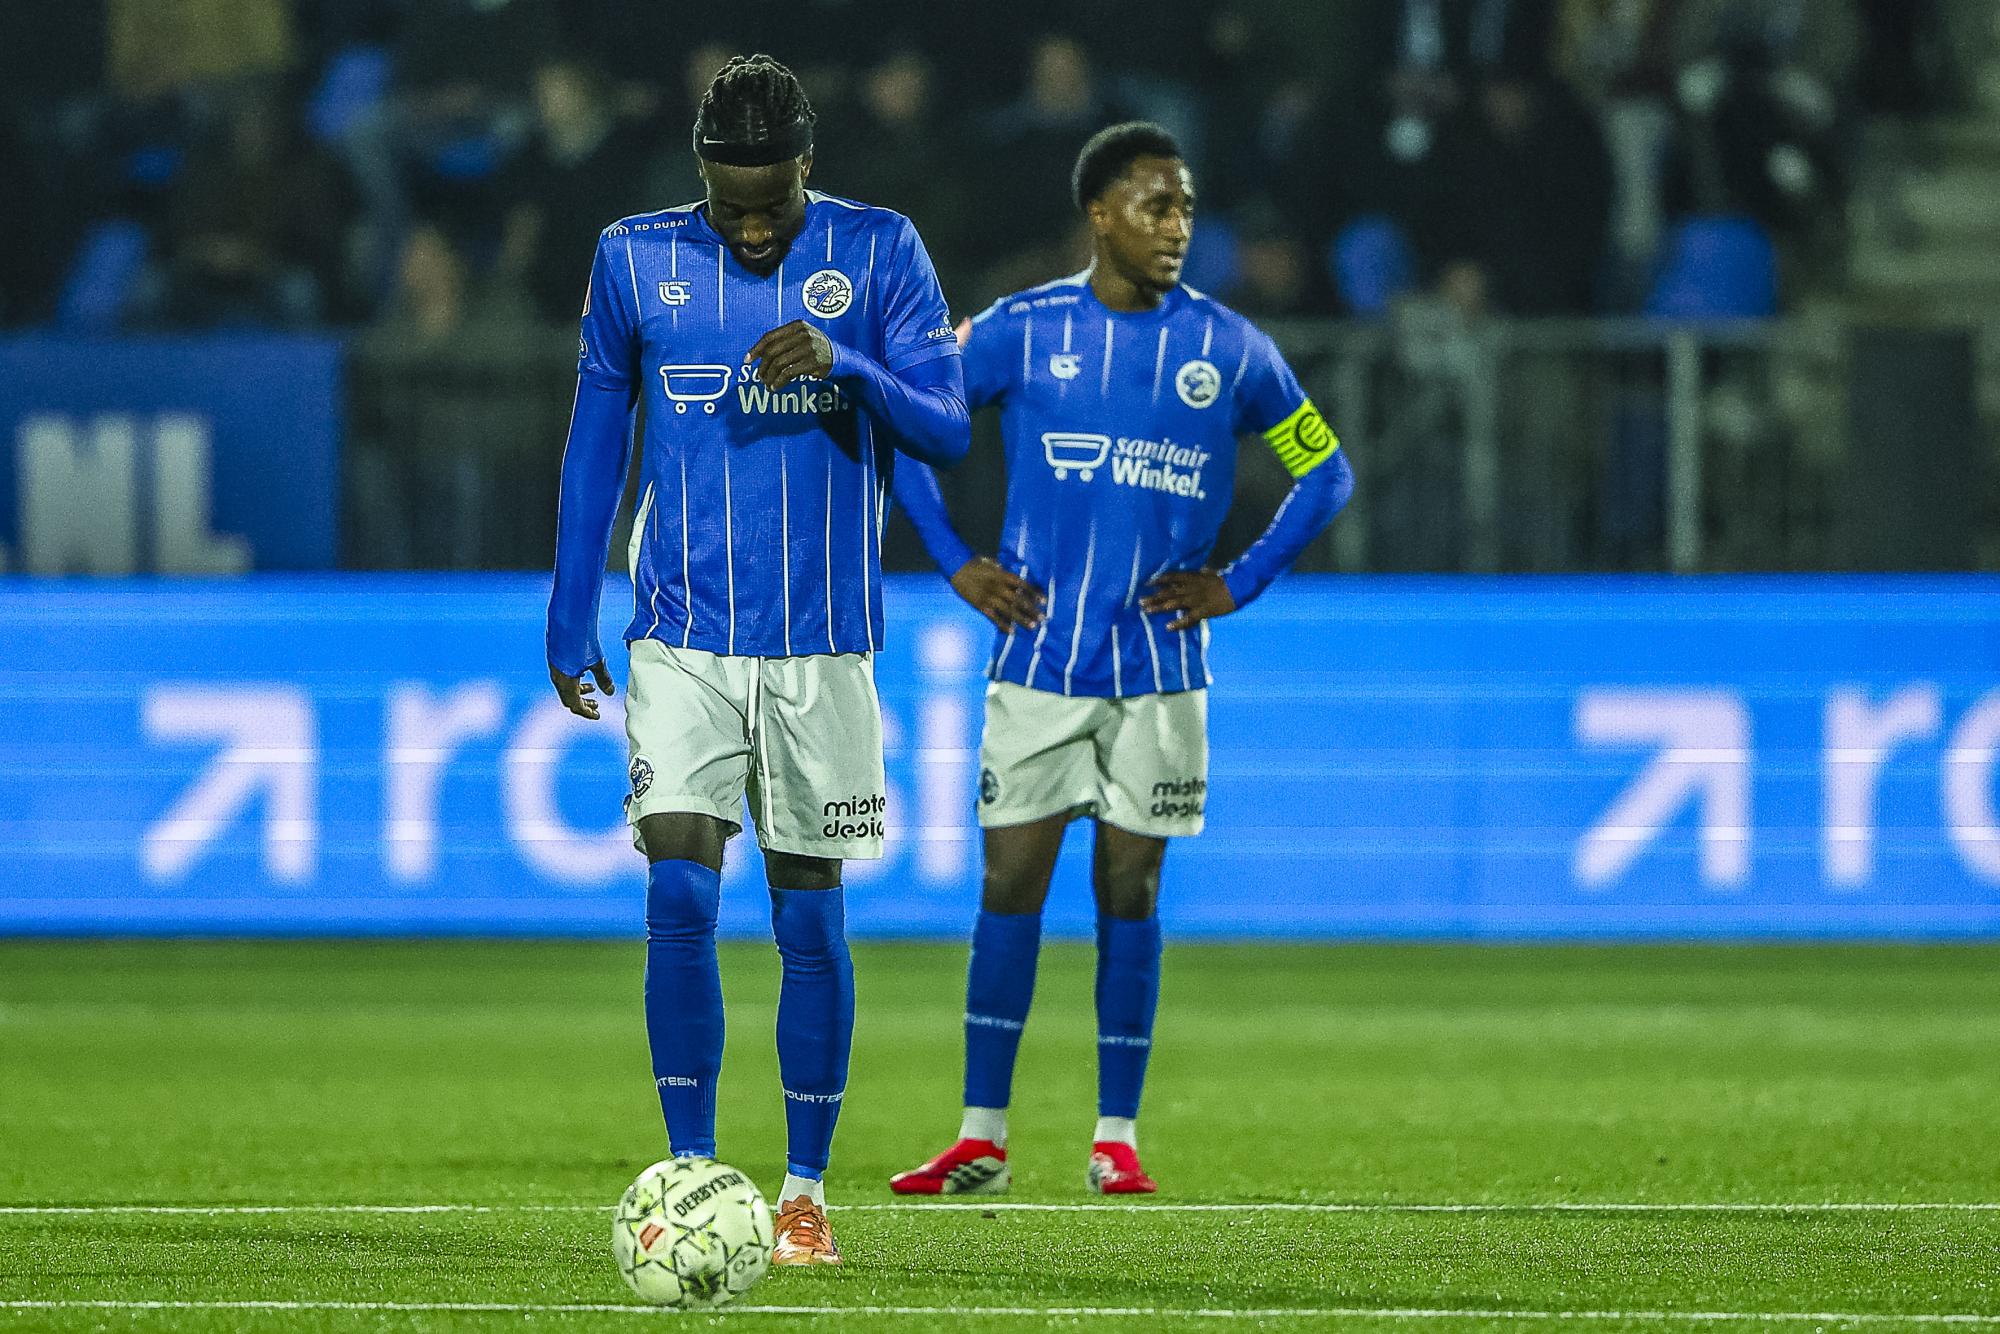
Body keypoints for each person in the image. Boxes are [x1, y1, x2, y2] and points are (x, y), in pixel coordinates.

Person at [544, 54, 970, 1262]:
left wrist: (849, 367)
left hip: (823, 641)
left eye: (768, 203)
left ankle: (802, 1191)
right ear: (698, 169)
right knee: (677, 887)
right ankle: (687, 1171)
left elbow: (943, 423)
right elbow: (594, 439)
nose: (746, 222)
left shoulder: (880, 251)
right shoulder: (632, 256)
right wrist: (569, 607)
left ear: (806, 167)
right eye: (727, 199)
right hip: (680, 632)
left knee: (807, 916)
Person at [886, 122, 1353, 1197]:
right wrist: (954, 560)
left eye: (1185, 206)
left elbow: (1322, 473)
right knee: (1009, 884)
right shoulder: (1020, 330)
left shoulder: (1230, 350)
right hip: (1038, 659)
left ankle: (1114, 1135)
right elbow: (909, 426)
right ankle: (981, 1133)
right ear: (1099, 214)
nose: (1176, 227)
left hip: (1159, 667)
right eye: (1154, 205)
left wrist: (1237, 581)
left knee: (1128, 887)